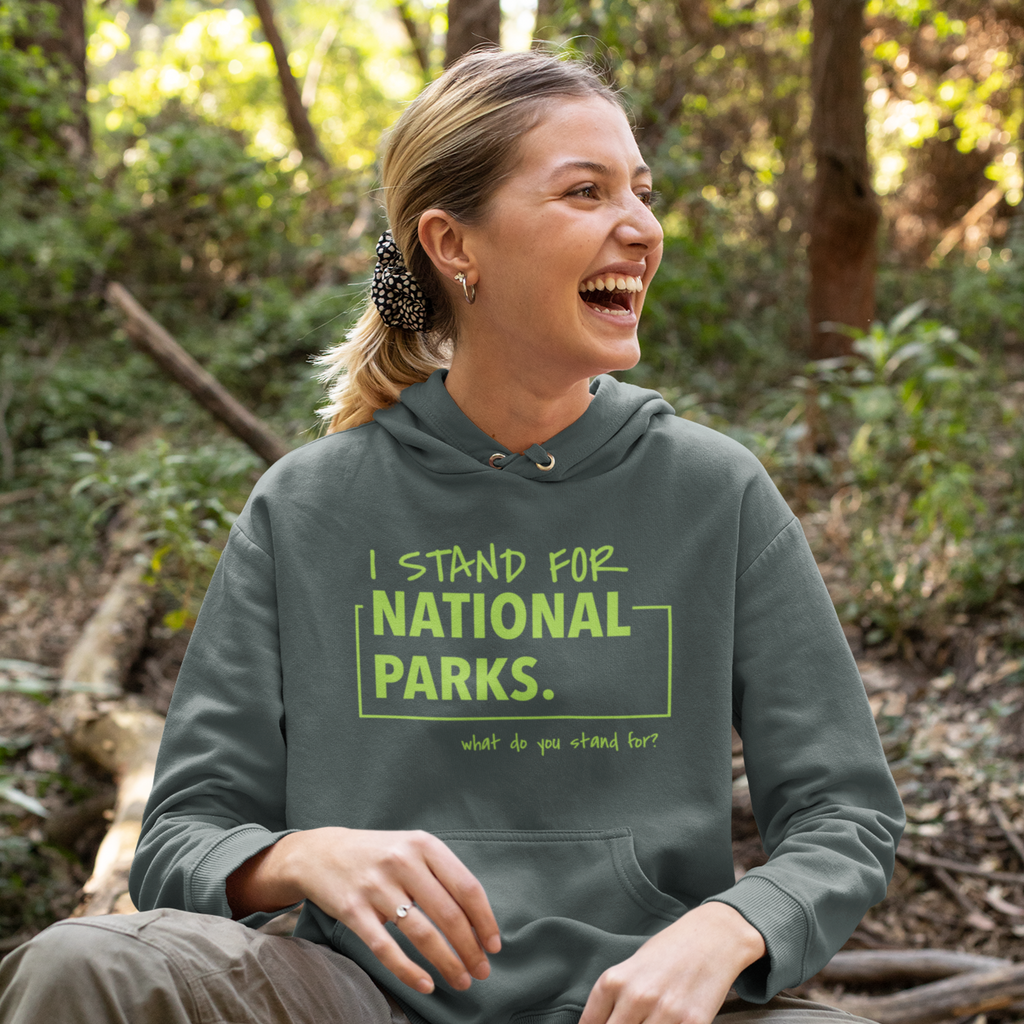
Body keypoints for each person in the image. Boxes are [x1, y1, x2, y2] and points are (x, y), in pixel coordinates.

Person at [0, 48, 904, 1024]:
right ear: (452, 243)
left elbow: (845, 813)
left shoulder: (713, 493)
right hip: (359, 998)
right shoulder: (308, 508)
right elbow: (182, 834)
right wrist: (302, 855)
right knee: (82, 967)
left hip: (636, 1006)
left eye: (641, 194)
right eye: (586, 191)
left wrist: (727, 929)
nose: (642, 227)